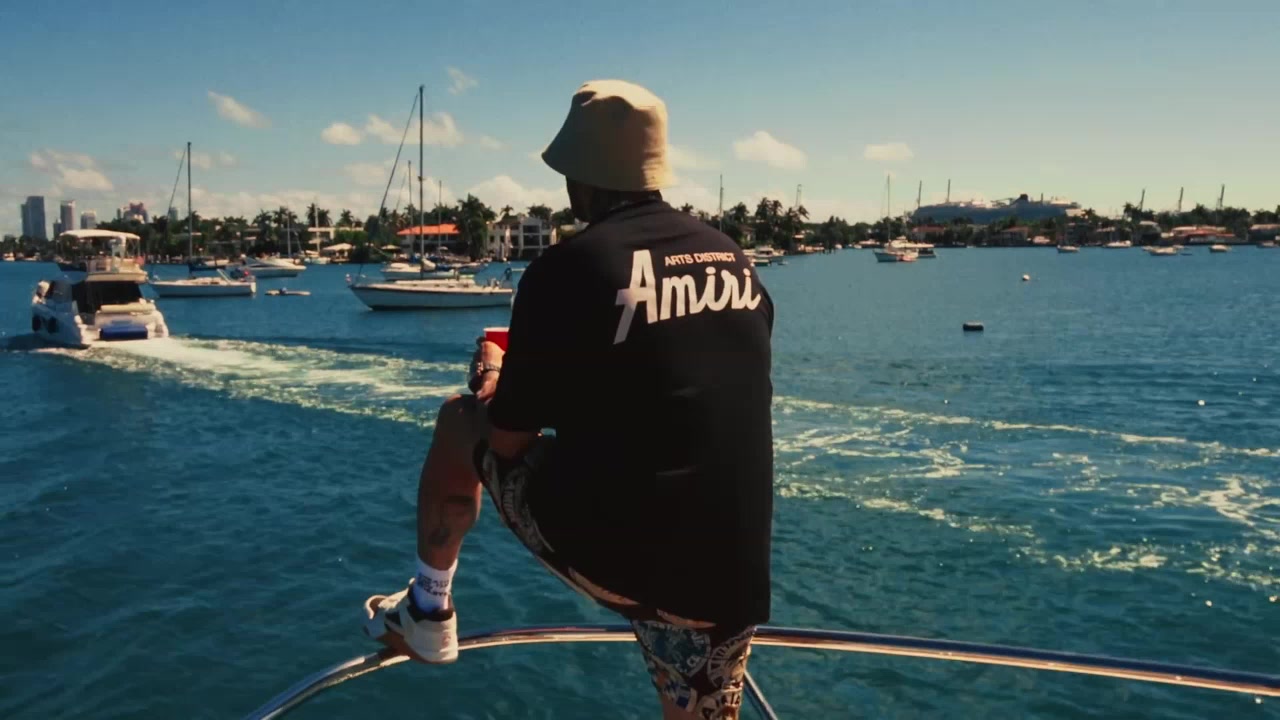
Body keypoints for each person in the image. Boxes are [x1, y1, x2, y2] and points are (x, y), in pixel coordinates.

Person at [362, 79, 775, 720]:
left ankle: (427, 610)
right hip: (731, 578)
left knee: (460, 422)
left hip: (631, 560)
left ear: (580, 177)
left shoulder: (568, 269)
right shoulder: (733, 258)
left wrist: (494, 373)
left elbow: (506, 441)